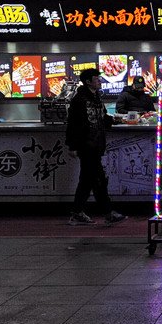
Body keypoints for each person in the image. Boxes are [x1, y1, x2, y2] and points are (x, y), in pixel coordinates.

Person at [65, 68, 127, 226]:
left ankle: (78, 212)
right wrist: (72, 145)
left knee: (87, 180)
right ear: (88, 82)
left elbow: (103, 117)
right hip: (86, 145)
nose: (100, 81)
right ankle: (107, 212)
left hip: (96, 144)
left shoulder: (96, 97)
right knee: (98, 179)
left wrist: (116, 120)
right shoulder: (79, 100)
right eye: (97, 79)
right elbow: (73, 124)